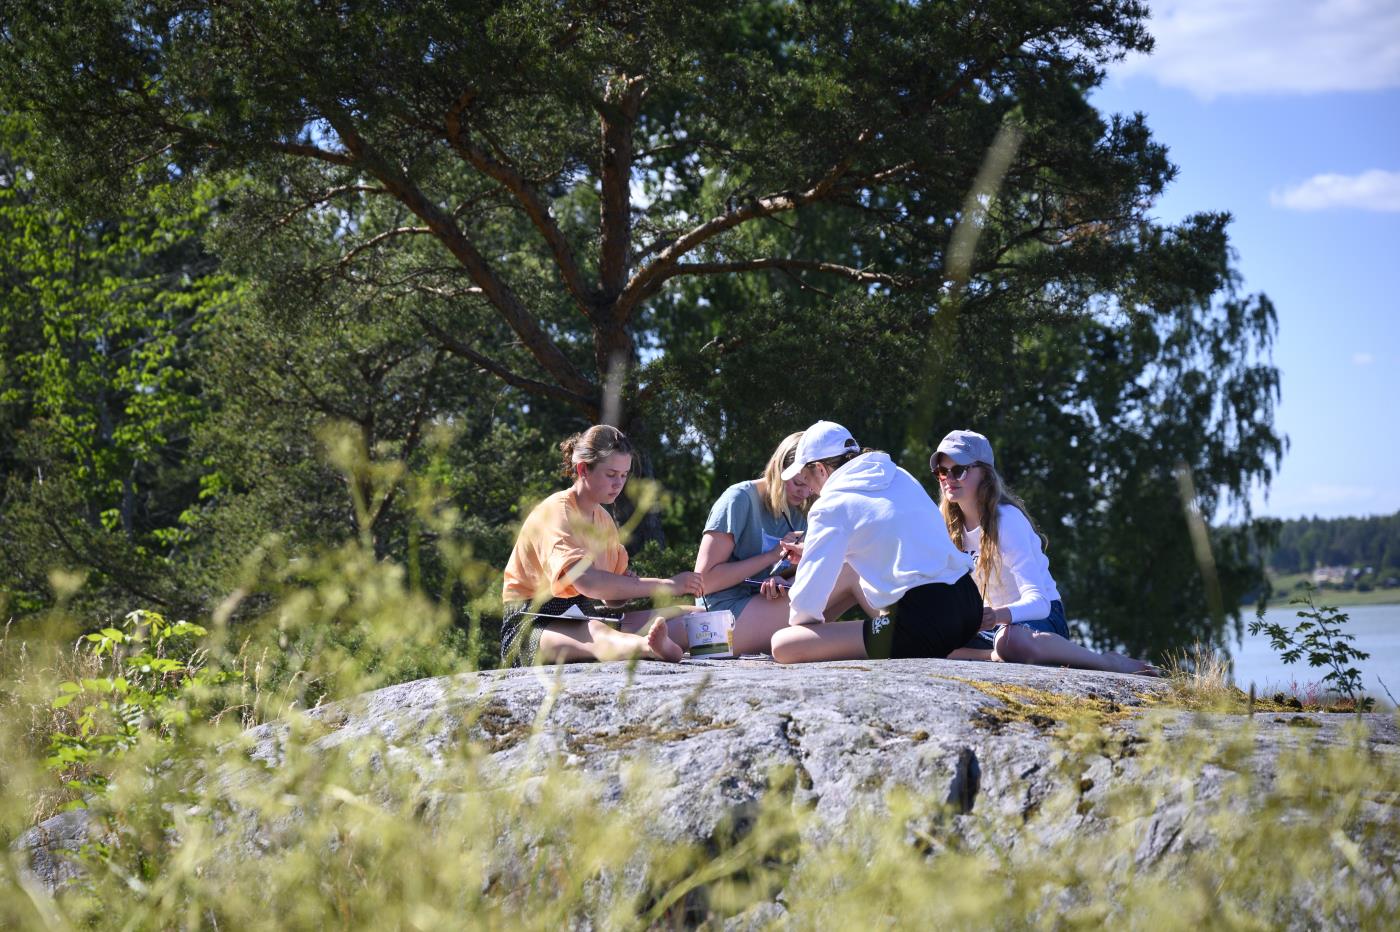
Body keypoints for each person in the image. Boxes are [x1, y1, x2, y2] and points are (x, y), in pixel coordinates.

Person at [932, 429, 1158, 676]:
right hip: (993, 630)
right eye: (942, 472)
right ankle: (996, 656)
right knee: (927, 637)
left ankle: (1107, 663)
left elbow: (1039, 602)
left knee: (1010, 641)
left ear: (984, 473)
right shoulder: (945, 527)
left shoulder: (1006, 520)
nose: (948, 479)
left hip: (1039, 620)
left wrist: (995, 616)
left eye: (958, 470)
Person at [769, 421, 983, 664]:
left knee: (784, 644)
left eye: (807, 479)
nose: (812, 490)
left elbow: (805, 605)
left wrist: (809, 634)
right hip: (968, 603)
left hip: (924, 619)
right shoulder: (898, 474)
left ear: (820, 469)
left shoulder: (830, 505)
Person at [500, 425, 704, 666]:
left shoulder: (604, 520)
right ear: (583, 469)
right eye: (610, 474)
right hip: (532, 622)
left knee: (693, 616)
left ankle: (656, 642)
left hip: (583, 614)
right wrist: (667, 585)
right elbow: (588, 582)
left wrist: (623, 588)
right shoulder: (556, 512)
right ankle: (649, 647)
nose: (618, 484)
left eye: (624, 475)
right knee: (597, 632)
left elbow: (610, 600)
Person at [694, 432, 812, 655]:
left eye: (810, 486)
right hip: (718, 624)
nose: (804, 492)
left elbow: (787, 571)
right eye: (798, 483)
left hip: (757, 607)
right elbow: (703, 583)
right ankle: (890, 635)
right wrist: (771, 556)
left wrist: (780, 579)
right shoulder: (738, 499)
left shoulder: (796, 514)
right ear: (779, 468)